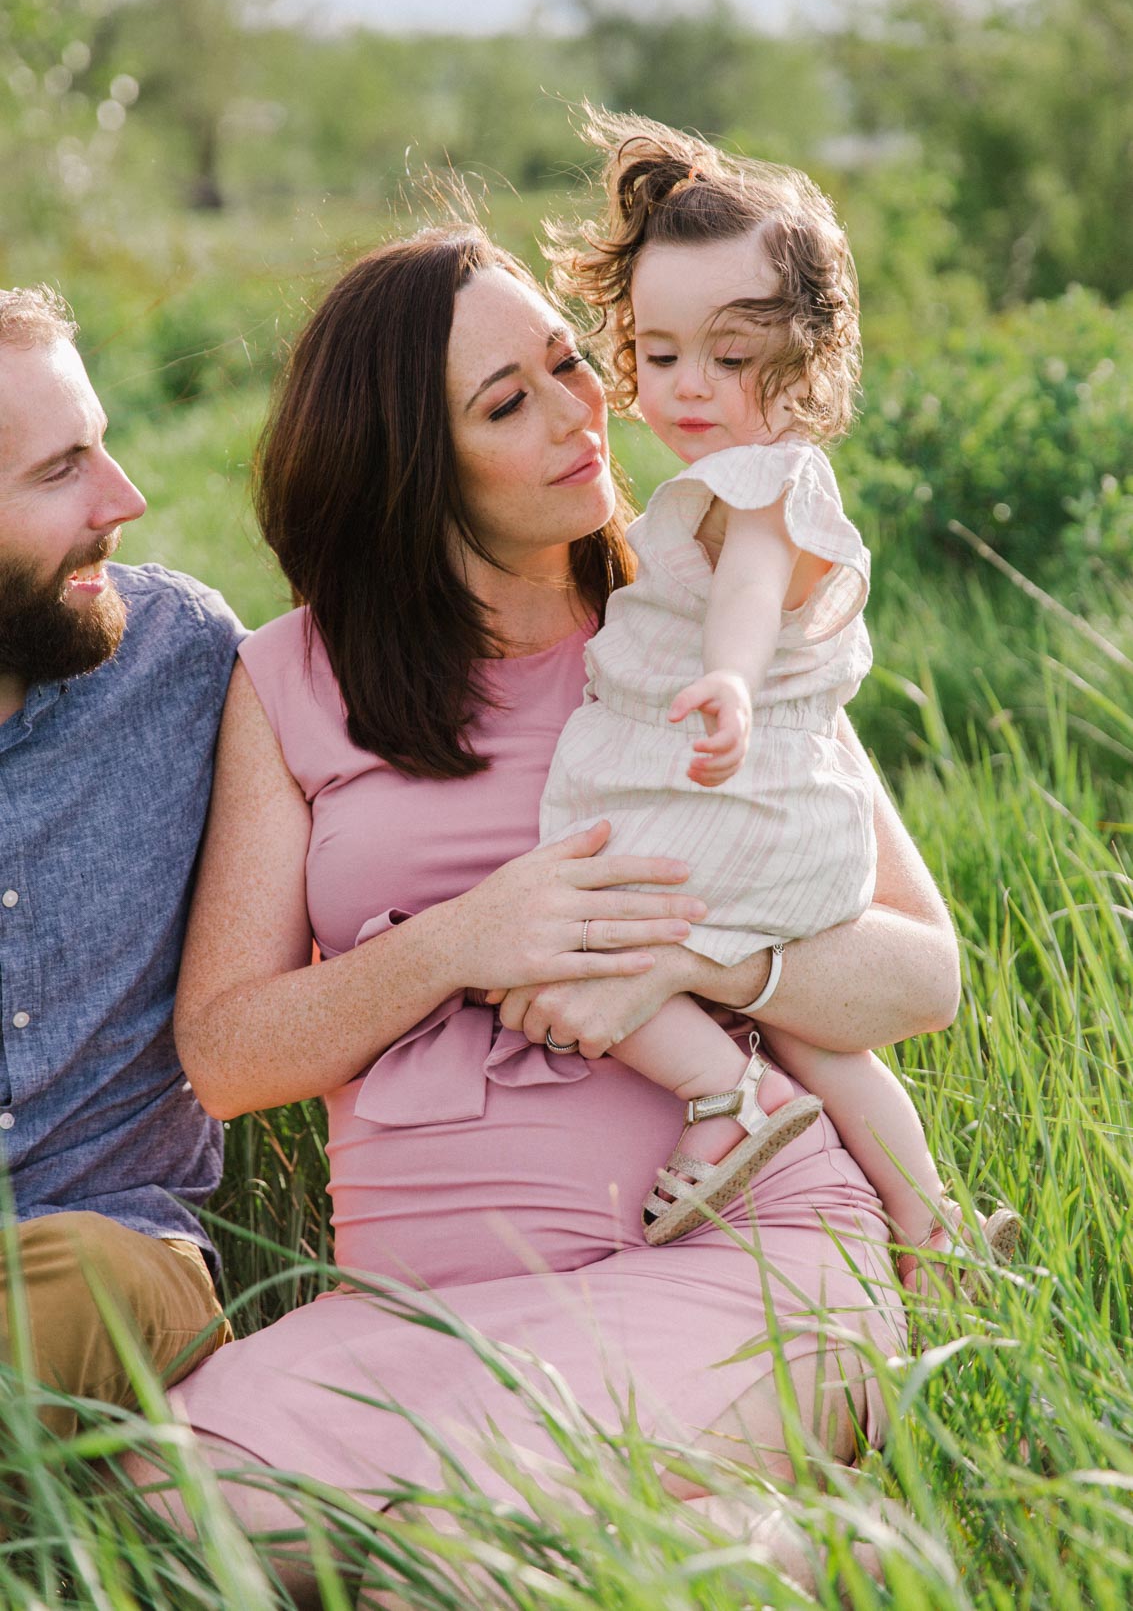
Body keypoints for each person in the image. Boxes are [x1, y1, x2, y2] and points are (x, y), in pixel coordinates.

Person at [123, 222, 961, 1603]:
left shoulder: (706, 641)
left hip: (737, 1256)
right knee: (164, 1508)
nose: (587, 413)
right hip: (420, 1315)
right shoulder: (292, 684)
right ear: (408, 470)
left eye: (572, 363)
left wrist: (693, 956)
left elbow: (918, 977)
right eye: (510, 403)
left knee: (457, 1552)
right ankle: (767, 1546)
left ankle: (757, 1537)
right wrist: (468, 937)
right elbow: (228, 1052)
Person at [535, 114, 1020, 1273]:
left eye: (731, 356)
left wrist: (727, 680)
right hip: (783, 814)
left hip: (743, 802)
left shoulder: (765, 481)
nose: (687, 385)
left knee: (577, 943)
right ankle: (937, 1232)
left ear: (803, 360)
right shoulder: (726, 475)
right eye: (658, 355)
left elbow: (752, 585)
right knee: (831, 1049)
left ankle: (722, 1100)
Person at [0, 285, 242, 1435]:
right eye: (60, 473)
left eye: (101, 446)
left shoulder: (184, 664)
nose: (126, 499)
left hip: (123, 1267)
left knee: (70, 1276)